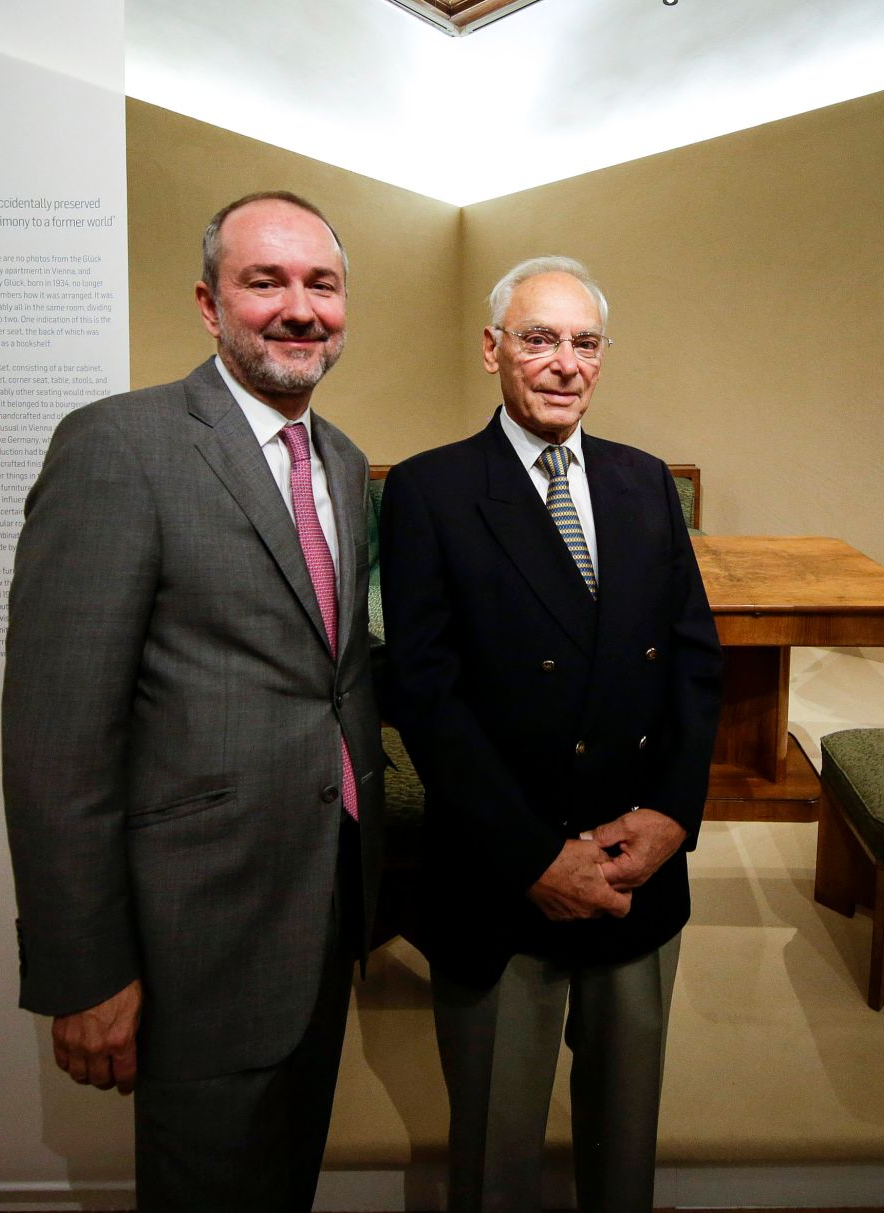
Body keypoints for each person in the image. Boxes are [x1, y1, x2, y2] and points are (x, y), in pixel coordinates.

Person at [1, 191, 384, 1212]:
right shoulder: (117, 447)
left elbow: (329, 675)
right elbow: (55, 737)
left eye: (321, 283)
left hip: (320, 906)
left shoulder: (342, 462)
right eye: (266, 282)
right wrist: (83, 970)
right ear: (209, 304)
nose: (300, 308)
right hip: (195, 938)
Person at [379, 256, 722, 1213]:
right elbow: (425, 693)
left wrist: (674, 817)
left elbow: (695, 664)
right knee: (495, 1156)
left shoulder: (645, 482)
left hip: (636, 870)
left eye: (584, 342)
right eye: (539, 338)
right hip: (501, 875)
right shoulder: (429, 490)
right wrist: (537, 856)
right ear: (493, 349)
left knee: (624, 1156)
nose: (564, 363)